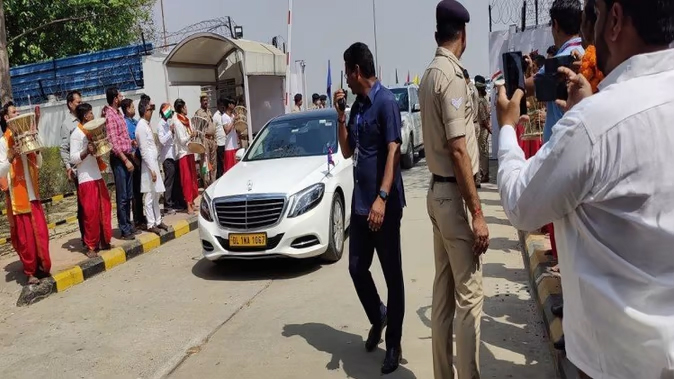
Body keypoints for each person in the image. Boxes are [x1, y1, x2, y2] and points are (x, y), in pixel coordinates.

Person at [495, 0, 674, 377]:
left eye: (593, 12)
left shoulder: (593, 125)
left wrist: (508, 128)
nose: (586, 30)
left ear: (615, 19)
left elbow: (520, 205)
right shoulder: (598, 117)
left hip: (614, 363)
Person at [418, 1, 489, 378]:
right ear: (463, 34)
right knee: (470, 297)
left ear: (437, 34)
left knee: (444, 294)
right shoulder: (452, 76)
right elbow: (459, 147)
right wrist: (477, 212)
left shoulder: (430, 74)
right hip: (454, 196)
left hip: (437, 193)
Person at [334, 42, 406, 375]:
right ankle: (379, 315)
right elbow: (348, 152)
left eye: (347, 72)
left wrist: (382, 196)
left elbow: (393, 151)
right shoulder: (358, 106)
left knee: (393, 277)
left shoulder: (386, 102)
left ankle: (393, 344)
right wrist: (340, 118)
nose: (346, 81)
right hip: (361, 208)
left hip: (384, 207)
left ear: (356, 71)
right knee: (356, 269)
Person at [0, 102, 51, 285]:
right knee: (26, 239)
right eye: (14, 112)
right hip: (19, 199)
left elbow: (40, 163)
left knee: (42, 235)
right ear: (6, 118)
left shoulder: (27, 135)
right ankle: (30, 272)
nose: (18, 113)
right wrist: (10, 157)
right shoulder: (3, 142)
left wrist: (35, 147)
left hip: (33, 195)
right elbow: (0, 171)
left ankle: (43, 268)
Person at [70, 103, 112, 258]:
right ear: (85, 116)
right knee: (91, 214)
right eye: (91, 113)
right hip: (86, 178)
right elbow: (73, 158)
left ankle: (103, 241)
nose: (93, 116)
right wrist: (86, 151)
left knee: (104, 209)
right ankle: (90, 246)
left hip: (97, 176)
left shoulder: (91, 131)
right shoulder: (77, 133)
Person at [103, 87, 136, 240]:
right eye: (120, 95)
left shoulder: (118, 114)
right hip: (119, 159)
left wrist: (131, 142)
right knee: (122, 196)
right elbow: (113, 143)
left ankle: (128, 225)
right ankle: (124, 229)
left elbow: (122, 138)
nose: (122, 96)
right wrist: (125, 160)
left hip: (126, 155)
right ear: (115, 99)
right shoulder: (109, 115)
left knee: (129, 195)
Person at [136, 98, 168, 235]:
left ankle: (158, 220)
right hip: (149, 166)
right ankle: (150, 223)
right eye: (150, 109)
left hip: (154, 163)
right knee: (149, 195)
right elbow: (143, 150)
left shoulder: (146, 125)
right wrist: (151, 169)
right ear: (144, 110)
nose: (152, 112)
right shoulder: (141, 127)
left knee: (156, 194)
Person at [59, 90, 84, 243]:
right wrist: (69, 167)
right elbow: (64, 148)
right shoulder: (67, 124)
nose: (80, 104)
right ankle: (86, 239)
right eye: (78, 102)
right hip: (78, 169)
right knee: (83, 205)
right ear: (70, 104)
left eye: (81, 102)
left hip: (90, 168)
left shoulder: (84, 119)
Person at [121, 98, 146, 231]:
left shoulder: (136, 122)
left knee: (140, 190)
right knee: (135, 192)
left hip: (140, 157)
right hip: (133, 159)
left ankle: (141, 216)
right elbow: (127, 142)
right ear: (126, 109)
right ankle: (137, 219)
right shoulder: (125, 124)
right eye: (132, 107)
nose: (134, 109)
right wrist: (132, 156)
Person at [157, 104, 185, 214]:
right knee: (169, 182)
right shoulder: (160, 125)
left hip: (173, 156)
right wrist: (170, 131)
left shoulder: (167, 123)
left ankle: (175, 202)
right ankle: (167, 205)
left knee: (175, 181)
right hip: (167, 157)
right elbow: (162, 140)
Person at [173, 99, 199, 214]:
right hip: (183, 154)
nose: (186, 109)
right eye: (185, 107)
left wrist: (194, 134)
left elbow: (192, 133)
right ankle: (188, 204)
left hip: (190, 151)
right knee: (187, 180)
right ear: (181, 109)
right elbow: (182, 140)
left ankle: (192, 202)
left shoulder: (188, 120)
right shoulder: (177, 122)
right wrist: (190, 136)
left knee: (193, 178)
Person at [195, 94, 217, 187]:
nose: (206, 102)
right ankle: (206, 184)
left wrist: (215, 140)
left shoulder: (209, 111)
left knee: (213, 163)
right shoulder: (199, 113)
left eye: (206, 100)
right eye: (204, 100)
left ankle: (213, 182)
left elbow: (212, 125)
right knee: (205, 162)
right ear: (200, 101)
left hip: (212, 139)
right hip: (205, 139)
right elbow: (197, 128)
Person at [475, 75, 491, 182]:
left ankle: (484, 174)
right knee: (483, 151)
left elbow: (484, 118)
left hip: (482, 129)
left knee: (483, 152)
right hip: (484, 128)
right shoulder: (484, 100)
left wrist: (488, 128)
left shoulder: (480, 101)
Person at [221, 97, 239, 173]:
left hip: (235, 145)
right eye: (233, 104)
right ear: (229, 105)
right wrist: (233, 121)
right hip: (229, 147)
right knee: (230, 170)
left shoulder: (233, 116)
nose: (234, 106)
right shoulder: (224, 117)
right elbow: (227, 131)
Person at [213, 97, 227, 179]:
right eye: (221, 106)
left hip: (225, 142)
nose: (223, 107)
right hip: (219, 143)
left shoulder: (224, 115)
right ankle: (220, 177)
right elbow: (214, 130)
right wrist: (215, 142)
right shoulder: (215, 116)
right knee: (220, 163)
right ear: (218, 106)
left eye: (224, 106)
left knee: (224, 162)